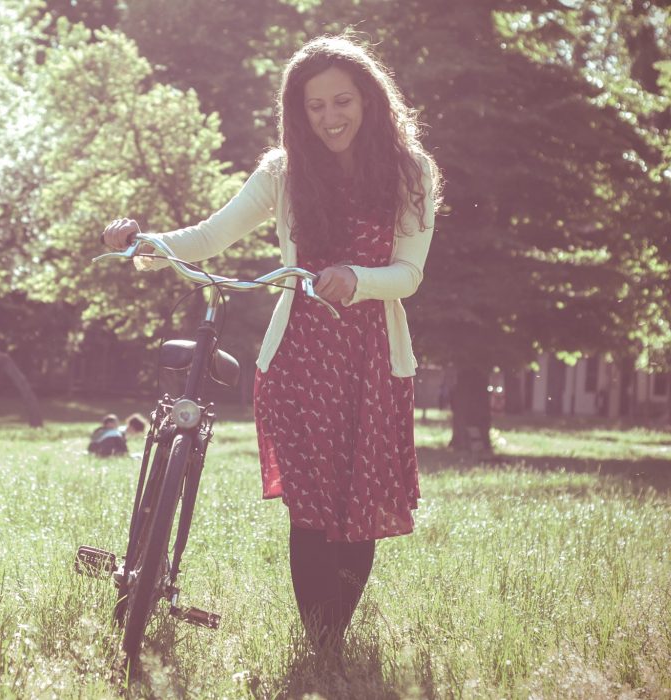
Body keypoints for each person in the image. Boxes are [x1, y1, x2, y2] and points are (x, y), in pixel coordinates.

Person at [102, 34, 440, 649]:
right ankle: (319, 640)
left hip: (371, 359)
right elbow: (210, 236)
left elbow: (409, 275)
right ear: (297, 111)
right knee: (309, 508)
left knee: (357, 504)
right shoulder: (283, 173)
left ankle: (331, 637)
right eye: (315, 106)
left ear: (368, 99)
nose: (331, 118)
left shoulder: (410, 172)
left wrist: (357, 279)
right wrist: (145, 243)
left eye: (343, 101)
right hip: (297, 360)